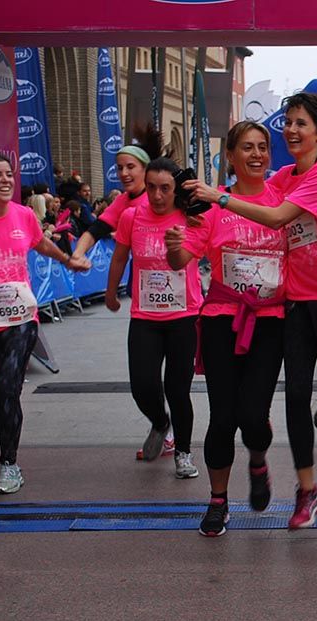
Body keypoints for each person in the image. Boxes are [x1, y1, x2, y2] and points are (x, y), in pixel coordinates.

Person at [183, 93, 317, 528]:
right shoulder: (285, 175)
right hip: (297, 303)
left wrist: (219, 198)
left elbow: (276, 217)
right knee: (297, 396)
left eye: (300, 123)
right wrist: (193, 218)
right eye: (287, 122)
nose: (290, 130)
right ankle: (307, 491)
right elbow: (262, 193)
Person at [166, 121, 287, 537]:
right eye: (248, 148)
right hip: (221, 319)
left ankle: (258, 458)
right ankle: (218, 500)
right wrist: (173, 247)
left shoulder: (282, 202)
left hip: (270, 322)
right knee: (222, 418)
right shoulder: (213, 207)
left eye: (263, 147)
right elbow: (183, 260)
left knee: (254, 416)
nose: (257, 155)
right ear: (230, 157)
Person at [0, 153, 89, 494]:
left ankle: (9, 464)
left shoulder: (23, 216)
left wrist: (69, 261)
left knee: (9, 389)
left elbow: (42, 244)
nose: (7, 180)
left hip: (21, 320)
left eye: (10, 174)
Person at [105, 156, 203, 479]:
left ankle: (184, 454)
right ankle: (161, 424)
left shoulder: (190, 216)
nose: (157, 196)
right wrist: (110, 293)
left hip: (183, 316)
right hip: (145, 316)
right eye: (151, 188)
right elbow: (120, 256)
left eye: (165, 189)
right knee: (142, 386)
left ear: (177, 189)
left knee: (178, 389)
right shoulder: (132, 216)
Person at [71, 124, 161, 263]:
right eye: (120, 168)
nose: (124, 173)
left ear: (146, 168)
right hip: (141, 272)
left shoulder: (161, 197)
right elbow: (96, 230)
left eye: (130, 167)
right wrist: (78, 253)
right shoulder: (122, 201)